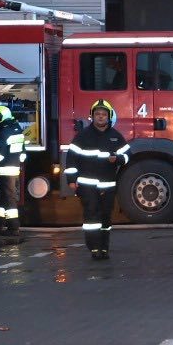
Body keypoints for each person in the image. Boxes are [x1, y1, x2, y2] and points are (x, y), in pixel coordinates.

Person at [64, 99, 131, 259]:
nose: (100, 117)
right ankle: (94, 248)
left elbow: (129, 155)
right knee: (92, 215)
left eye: (103, 114)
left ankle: (104, 247)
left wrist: (119, 159)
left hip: (107, 185)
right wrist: (71, 180)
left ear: (109, 117)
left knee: (106, 216)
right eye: (97, 114)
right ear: (92, 116)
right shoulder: (83, 136)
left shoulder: (115, 136)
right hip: (87, 184)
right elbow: (71, 159)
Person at [0, 102, 26, 236]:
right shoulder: (16, 129)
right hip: (14, 168)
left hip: (5, 170)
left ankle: (13, 227)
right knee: (0, 198)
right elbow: (23, 153)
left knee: (9, 198)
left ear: (0, 118)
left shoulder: (4, 132)